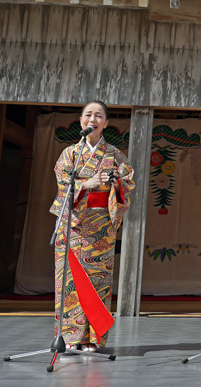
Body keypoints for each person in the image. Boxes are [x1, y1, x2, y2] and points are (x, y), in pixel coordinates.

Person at [50, 100, 135, 351]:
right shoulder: (70, 154)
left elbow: (128, 183)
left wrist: (116, 182)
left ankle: (93, 339)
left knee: (98, 282)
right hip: (73, 225)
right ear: (81, 120)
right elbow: (62, 184)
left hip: (101, 227)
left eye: (99, 116)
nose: (93, 119)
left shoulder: (115, 155)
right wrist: (86, 185)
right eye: (88, 114)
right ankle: (70, 337)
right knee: (70, 283)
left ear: (106, 123)